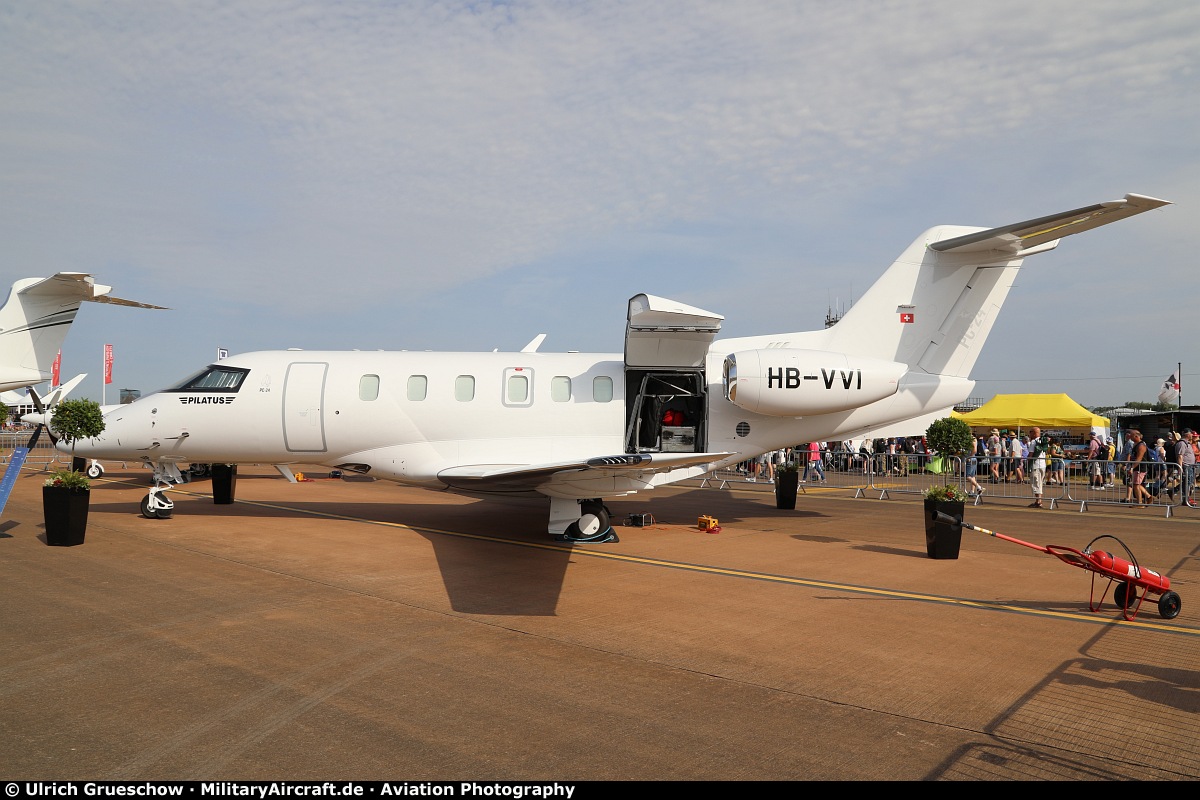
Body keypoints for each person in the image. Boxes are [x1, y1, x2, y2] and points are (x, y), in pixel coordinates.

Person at [1123, 429, 1152, 507]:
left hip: (1140, 468)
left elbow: (1139, 459)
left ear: (1136, 436)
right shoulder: (1135, 444)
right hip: (1136, 467)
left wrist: (1132, 467)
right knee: (1136, 484)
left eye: (1131, 435)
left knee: (1136, 484)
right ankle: (1149, 496)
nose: (1130, 437)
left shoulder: (1141, 446)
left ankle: (1140, 503)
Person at [1026, 426, 1050, 508]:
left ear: (1034, 433)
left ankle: (1038, 501)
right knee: (1040, 483)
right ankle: (1038, 500)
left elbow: (1031, 454)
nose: (1030, 434)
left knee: (1036, 483)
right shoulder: (1044, 441)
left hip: (1035, 464)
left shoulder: (1033, 442)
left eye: (1030, 432)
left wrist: (1026, 460)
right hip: (1043, 464)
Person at [1178, 429, 1197, 505]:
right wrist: (1180, 467)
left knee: (1189, 483)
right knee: (1187, 483)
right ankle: (1186, 499)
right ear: (1187, 434)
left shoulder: (1187, 443)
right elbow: (1180, 456)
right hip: (1186, 466)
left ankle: (1187, 498)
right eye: (1191, 434)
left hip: (1190, 466)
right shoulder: (1182, 443)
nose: (1192, 435)